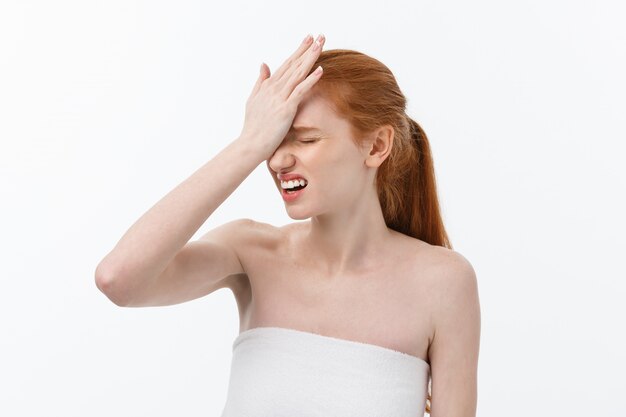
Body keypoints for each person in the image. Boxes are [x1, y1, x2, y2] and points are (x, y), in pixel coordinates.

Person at [95, 33, 481, 416]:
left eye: (306, 140)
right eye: (273, 141)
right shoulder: (250, 253)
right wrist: (248, 145)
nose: (277, 161)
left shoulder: (443, 282)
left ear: (377, 146)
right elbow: (118, 279)